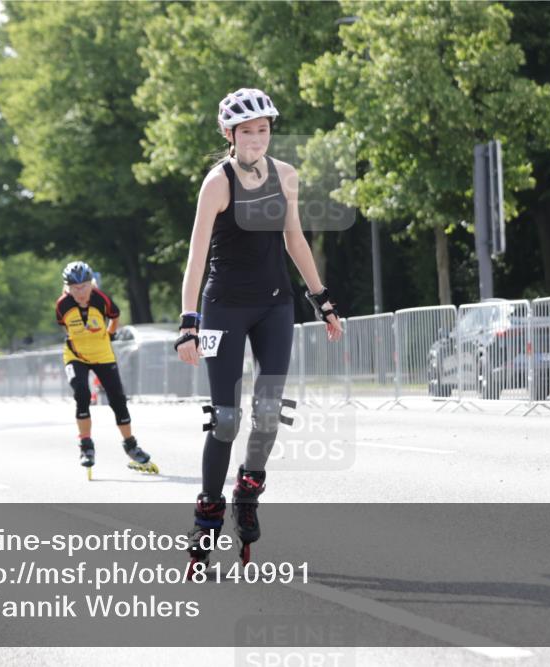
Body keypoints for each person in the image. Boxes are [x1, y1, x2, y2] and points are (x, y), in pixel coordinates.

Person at [175, 87, 343, 571]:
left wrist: (322, 299)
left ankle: (249, 487)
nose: (256, 139)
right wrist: (190, 323)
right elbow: (196, 257)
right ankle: (208, 512)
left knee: (268, 410)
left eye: (263, 130)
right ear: (229, 135)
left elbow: (295, 239)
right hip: (223, 307)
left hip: (275, 305)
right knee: (226, 420)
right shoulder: (217, 183)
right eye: (246, 131)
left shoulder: (285, 176)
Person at [56, 262, 157, 478]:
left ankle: (131, 445)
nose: (81, 293)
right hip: (76, 356)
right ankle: (85, 445)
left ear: (92, 284)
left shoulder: (101, 300)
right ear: (67, 288)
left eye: (84, 286)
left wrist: (110, 334)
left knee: (118, 400)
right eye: (75, 288)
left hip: (103, 355)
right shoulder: (62, 305)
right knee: (82, 393)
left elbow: (115, 315)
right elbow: (65, 327)